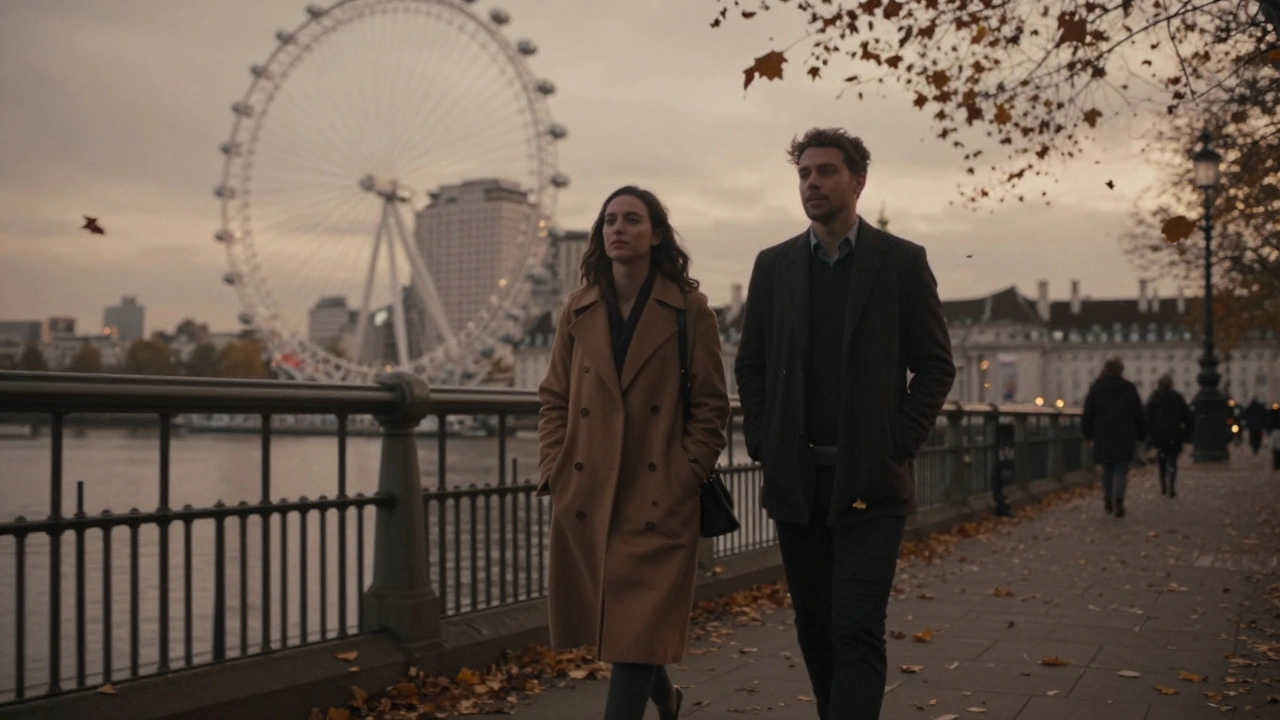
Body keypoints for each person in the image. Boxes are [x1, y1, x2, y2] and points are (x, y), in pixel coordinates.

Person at [735, 128, 956, 719]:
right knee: (815, 630)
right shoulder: (773, 265)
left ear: (858, 181)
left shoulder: (902, 263)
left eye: (826, 171)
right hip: (798, 482)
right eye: (804, 173)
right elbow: (750, 365)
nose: (812, 183)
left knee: (856, 629)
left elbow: (935, 366)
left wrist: (898, 441)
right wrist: (764, 441)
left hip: (870, 481)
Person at [536, 186, 730, 720]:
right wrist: (556, 467)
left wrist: (684, 474)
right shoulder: (577, 311)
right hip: (590, 492)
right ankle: (668, 699)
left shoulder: (689, 311)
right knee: (631, 628)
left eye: (632, 220)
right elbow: (554, 397)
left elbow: (711, 406)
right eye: (609, 221)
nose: (617, 229)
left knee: (636, 629)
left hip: (658, 494)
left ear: (658, 234)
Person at [1082, 357, 1146, 517]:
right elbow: (1138, 413)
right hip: (1125, 433)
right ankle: (1119, 499)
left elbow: (1089, 412)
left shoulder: (1097, 388)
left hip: (1103, 433)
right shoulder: (1129, 388)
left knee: (1107, 468)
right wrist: (1142, 433)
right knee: (1121, 469)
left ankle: (1108, 498)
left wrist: (1087, 434)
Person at [1145, 373, 1192, 498]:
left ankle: (1163, 485)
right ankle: (1172, 484)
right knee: (1172, 461)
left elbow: (1147, 416)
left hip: (1159, 435)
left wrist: (1149, 433)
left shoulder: (1154, 397)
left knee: (1161, 461)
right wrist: (1186, 434)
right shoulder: (1177, 397)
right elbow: (1187, 416)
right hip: (1175, 434)